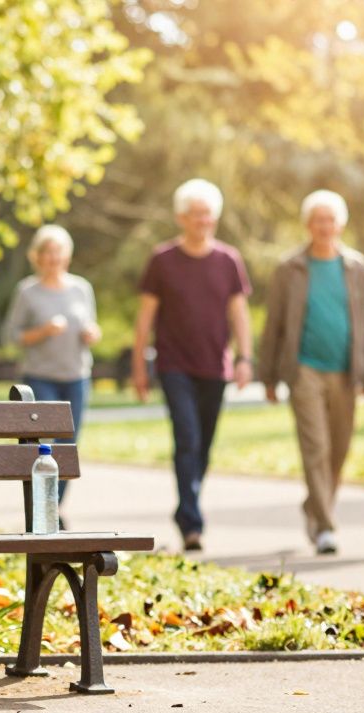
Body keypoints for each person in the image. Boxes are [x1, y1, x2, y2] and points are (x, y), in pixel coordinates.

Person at [131, 178, 252, 552]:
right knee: (187, 438)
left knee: (204, 444)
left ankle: (188, 504)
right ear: (181, 217)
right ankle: (191, 520)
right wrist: (139, 366)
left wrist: (246, 357)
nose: (203, 221)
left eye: (208, 215)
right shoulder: (162, 260)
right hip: (174, 363)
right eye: (196, 214)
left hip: (215, 365)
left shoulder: (228, 260)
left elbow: (239, 313)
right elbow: (145, 318)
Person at [258, 190, 364, 555]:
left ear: (340, 224)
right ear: (308, 224)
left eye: (330, 220)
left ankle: (315, 506)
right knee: (317, 447)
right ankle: (326, 527)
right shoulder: (290, 268)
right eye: (318, 220)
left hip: (346, 371)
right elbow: (275, 323)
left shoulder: (356, 266)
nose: (324, 226)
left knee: (339, 450)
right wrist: (268, 376)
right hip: (304, 370)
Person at [3, 224, 100, 513]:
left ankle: (53, 506)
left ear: (66, 256)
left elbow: (91, 326)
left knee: (69, 444)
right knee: (44, 444)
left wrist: (92, 333)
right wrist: (43, 331)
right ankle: (42, 505)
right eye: (47, 252)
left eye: (58, 252)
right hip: (40, 377)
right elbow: (12, 336)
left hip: (77, 376)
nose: (53, 257)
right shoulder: (28, 291)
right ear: (38, 256)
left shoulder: (82, 288)